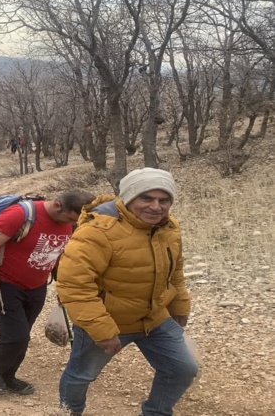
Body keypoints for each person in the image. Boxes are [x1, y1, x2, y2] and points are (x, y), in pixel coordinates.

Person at [57, 168, 197, 416]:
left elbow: (175, 271)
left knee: (182, 369)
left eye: (164, 200)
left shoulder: (169, 227)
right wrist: (102, 330)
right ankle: (70, 412)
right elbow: (75, 286)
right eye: (147, 198)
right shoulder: (97, 232)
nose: (156, 207)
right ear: (129, 197)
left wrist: (180, 307)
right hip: (109, 320)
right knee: (82, 375)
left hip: (154, 318)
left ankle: (156, 412)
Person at [0, 191, 96, 395]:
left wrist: (64, 287)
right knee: (16, 334)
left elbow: (59, 254)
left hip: (37, 286)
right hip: (5, 283)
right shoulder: (19, 215)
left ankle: (8, 375)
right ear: (58, 205)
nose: (71, 224)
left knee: (23, 334)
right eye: (70, 219)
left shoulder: (71, 221)